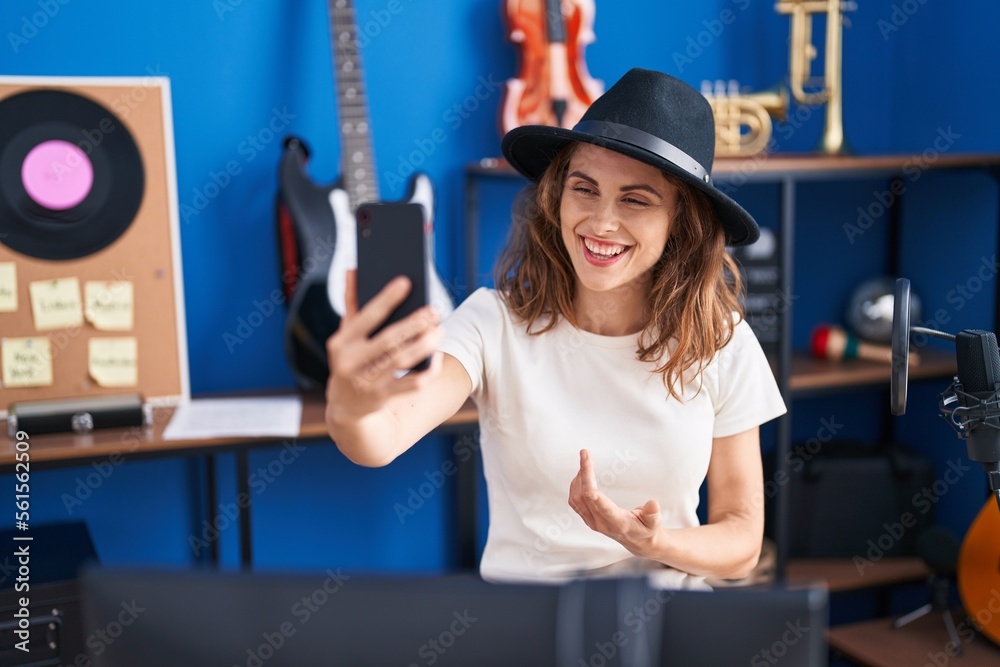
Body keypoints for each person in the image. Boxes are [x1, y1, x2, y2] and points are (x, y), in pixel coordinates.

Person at [325, 68, 786, 589]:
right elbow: (378, 440)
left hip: (663, 621)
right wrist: (351, 401)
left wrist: (652, 543)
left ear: (682, 222)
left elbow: (742, 541)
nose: (601, 222)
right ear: (556, 196)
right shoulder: (492, 323)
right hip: (529, 630)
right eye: (584, 189)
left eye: (635, 199)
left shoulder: (719, 339)